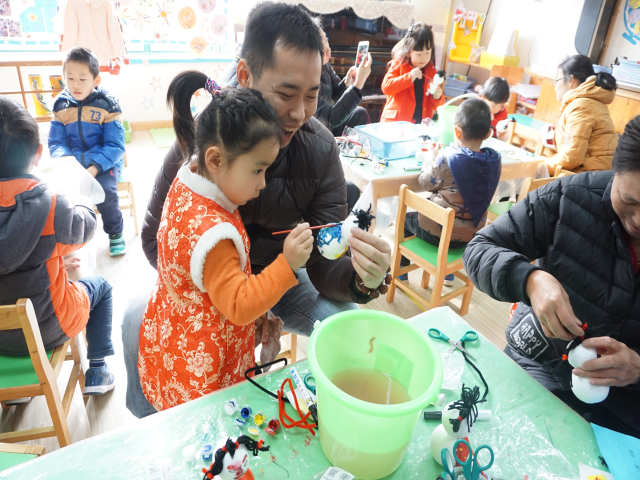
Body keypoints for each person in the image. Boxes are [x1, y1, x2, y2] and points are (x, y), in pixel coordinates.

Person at [124, 2, 391, 419]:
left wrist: (362, 278)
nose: (300, 113)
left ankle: (334, 423)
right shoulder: (205, 136)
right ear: (245, 74)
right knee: (133, 321)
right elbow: (153, 238)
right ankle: (153, 430)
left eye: (312, 95)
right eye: (286, 94)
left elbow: (324, 262)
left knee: (348, 325)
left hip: (286, 276)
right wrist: (229, 302)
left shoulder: (320, 149)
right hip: (207, 290)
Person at [138, 76, 312, 411]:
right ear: (216, 160)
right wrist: (287, 264)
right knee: (213, 429)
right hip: (204, 367)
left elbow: (212, 288)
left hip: (172, 337)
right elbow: (238, 306)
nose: (263, 183)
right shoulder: (214, 236)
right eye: (258, 171)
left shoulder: (188, 180)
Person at [463, 115, 640, 438]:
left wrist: (638, 369)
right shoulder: (570, 197)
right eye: (629, 200)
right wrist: (529, 280)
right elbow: (479, 249)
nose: (639, 220)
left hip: (625, 415)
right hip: (538, 366)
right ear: (614, 171)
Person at [0, 96, 115, 396]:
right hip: (48, 326)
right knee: (101, 287)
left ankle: (17, 396)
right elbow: (87, 227)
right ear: (38, 153)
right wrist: (77, 197)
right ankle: (98, 368)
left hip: (1, 337)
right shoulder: (49, 204)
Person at [400, 99, 500, 287]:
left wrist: (430, 157)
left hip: (439, 232)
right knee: (456, 218)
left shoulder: (448, 158)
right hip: (471, 237)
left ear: (457, 132)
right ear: (488, 133)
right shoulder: (493, 162)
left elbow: (425, 182)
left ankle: (401, 272)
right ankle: (449, 274)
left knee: (406, 220)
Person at [48, 47, 126, 257]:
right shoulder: (60, 105)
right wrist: (68, 164)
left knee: (107, 192)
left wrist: (93, 169)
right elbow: (56, 142)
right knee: (59, 196)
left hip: (104, 163)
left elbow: (115, 146)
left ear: (96, 80)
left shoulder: (108, 104)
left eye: (82, 79)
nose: (76, 84)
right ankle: (71, 236)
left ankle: (115, 232)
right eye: (70, 78)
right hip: (73, 164)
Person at [543, 54, 618, 174]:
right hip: (592, 173)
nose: (555, 86)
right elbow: (571, 145)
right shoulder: (587, 102)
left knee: (530, 173)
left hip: (589, 176)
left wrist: (541, 165)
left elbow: (571, 157)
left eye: (557, 80)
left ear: (571, 80)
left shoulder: (581, 107)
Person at [314, 23, 372, 136]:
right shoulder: (307, 76)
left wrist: (346, 83)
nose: (328, 50)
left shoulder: (325, 65)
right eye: (322, 46)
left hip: (328, 124)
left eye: (326, 40)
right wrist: (358, 85)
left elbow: (335, 93)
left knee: (360, 113)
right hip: (316, 131)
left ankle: (350, 147)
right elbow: (330, 119)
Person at [380, 22, 445, 124]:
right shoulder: (398, 64)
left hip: (421, 125)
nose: (423, 58)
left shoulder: (432, 72)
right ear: (408, 52)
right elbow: (386, 88)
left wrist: (437, 97)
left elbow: (437, 106)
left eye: (427, 52)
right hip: (396, 124)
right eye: (419, 54)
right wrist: (409, 77)